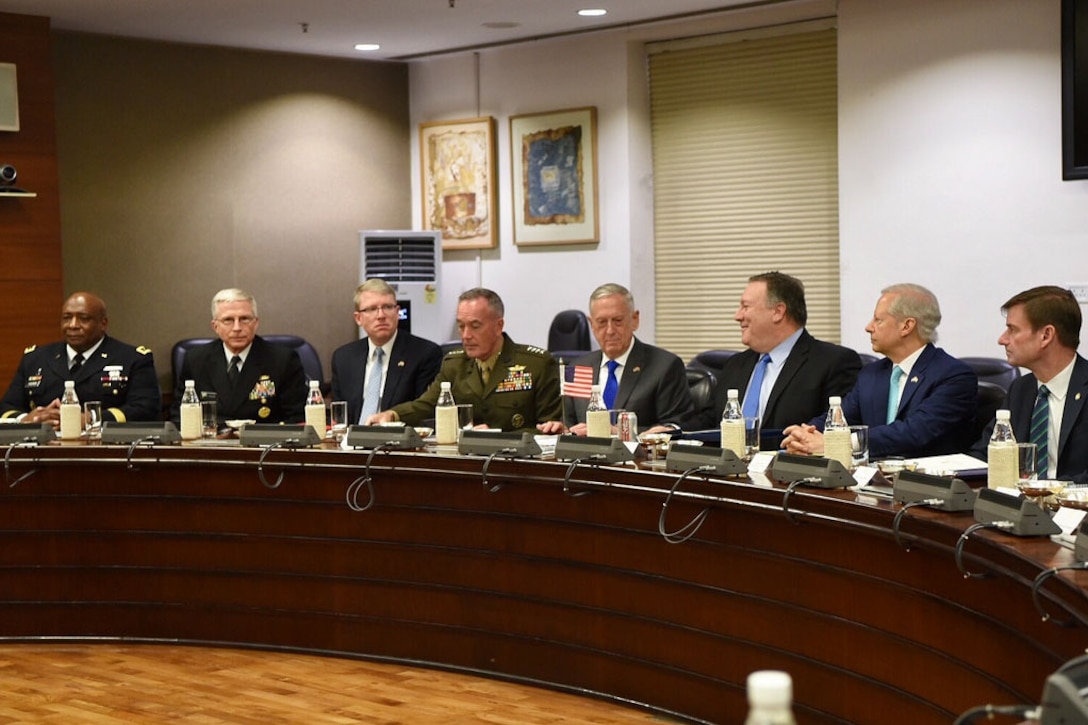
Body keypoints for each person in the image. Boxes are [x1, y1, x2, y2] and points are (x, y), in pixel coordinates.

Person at [783, 283, 977, 459]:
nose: (869, 327)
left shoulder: (954, 376)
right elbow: (841, 417)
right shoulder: (872, 373)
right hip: (871, 481)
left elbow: (915, 432)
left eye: (878, 320)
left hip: (926, 485)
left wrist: (836, 444)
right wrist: (804, 435)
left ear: (907, 326)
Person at [687, 272, 861, 445]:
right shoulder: (736, 363)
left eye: (745, 307)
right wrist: (670, 431)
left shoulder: (834, 362)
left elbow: (835, 430)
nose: (737, 316)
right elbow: (710, 420)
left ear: (778, 312)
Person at [366, 288, 564, 433]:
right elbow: (427, 404)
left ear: (498, 326)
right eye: (461, 326)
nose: (466, 335)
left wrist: (500, 437)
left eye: (475, 326)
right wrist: (393, 415)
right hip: (468, 463)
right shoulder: (454, 364)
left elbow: (551, 429)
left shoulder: (536, 364)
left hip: (518, 466)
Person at [970, 286, 1088, 481]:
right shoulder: (1021, 389)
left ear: (1046, 335)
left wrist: (1045, 491)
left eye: (1012, 329)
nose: (1002, 340)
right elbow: (985, 454)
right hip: (1019, 506)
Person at [1, 291, 162, 426]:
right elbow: (6, 407)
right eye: (66, 318)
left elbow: (146, 409)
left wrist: (93, 419)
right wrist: (26, 419)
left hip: (105, 452)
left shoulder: (132, 358)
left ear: (103, 324)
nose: (73, 325)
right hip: (42, 450)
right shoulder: (35, 358)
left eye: (83, 318)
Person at [563, 283, 692, 434]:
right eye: (602, 322)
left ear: (635, 319)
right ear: (591, 324)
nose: (610, 331)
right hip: (584, 456)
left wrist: (618, 432)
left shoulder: (664, 366)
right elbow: (569, 422)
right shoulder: (579, 367)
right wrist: (560, 428)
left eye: (617, 320)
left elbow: (674, 428)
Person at [171, 288, 306, 426]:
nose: (237, 328)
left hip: (263, 443)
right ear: (215, 326)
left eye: (244, 319)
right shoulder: (196, 359)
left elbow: (297, 418)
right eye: (228, 320)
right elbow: (180, 417)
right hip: (212, 442)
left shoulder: (282, 360)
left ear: (256, 323)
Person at [331, 279, 443, 424]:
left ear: (397, 312)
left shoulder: (424, 353)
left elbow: (423, 412)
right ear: (358, 318)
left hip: (398, 442)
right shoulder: (343, 358)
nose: (381, 315)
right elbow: (339, 416)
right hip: (349, 443)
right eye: (372, 309)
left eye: (387, 307)